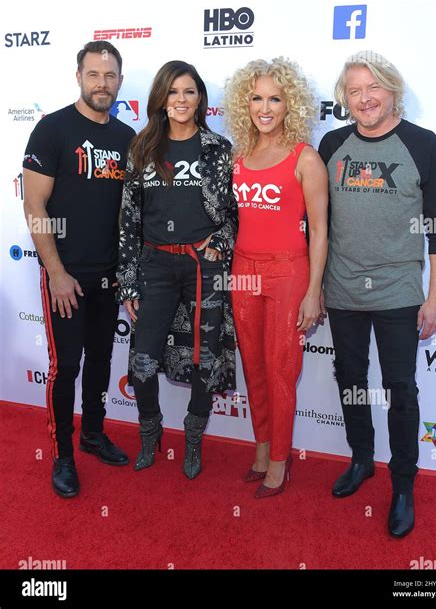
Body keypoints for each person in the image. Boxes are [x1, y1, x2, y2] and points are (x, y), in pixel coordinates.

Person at [318, 51, 436, 537]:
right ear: (344, 100)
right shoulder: (332, 144)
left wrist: (434, 297)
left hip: (399, 291)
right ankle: (360, 460)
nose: (364, 98)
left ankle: (402, 485)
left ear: (393, 90)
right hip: (342, 290)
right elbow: (315, 226)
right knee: (351, 378)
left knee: (401, 390)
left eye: (372, 87)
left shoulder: (422, 144)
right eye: (353, 91)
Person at [23, 41, 136, 498]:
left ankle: (93, 432)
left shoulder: (127, 138)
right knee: (65, 366)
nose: (102, 84)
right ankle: (63, 455)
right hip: (65, 276)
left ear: (119, 82)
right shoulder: (52, 129)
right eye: (94, 75)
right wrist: (56, 271)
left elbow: (131, 215)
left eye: (110, 77)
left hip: (108, 276)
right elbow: (34, 204)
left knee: (103, 362)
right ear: (79, 77)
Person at [117, 60, 237, 479]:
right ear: (161, 100)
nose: (181, 100)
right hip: (153, 264)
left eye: (189, 92)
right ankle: (150, 434)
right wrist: (129, 278)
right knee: (143, 361)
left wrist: (220, 243)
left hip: (203, 267)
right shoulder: (142, 148)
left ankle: (192, 438)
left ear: (200, 98)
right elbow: (129, 219)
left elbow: (232, 214)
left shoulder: (218, 149)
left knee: (205, 360)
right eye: (173, 92)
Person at [223, 58, 328, 498]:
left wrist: (313, 290)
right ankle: (262, 449)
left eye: (275, 98)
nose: (265, 107)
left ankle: (280, 463)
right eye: (257, 98)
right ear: (244, 104)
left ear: (291, 104)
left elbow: (320, 229)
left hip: (288, 272)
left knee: (281, 370)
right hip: (243, 271)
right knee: (254, 368)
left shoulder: (306, 157)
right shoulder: (240, 155)